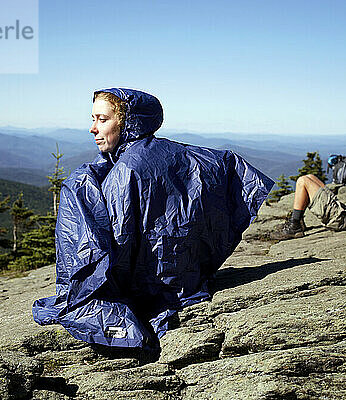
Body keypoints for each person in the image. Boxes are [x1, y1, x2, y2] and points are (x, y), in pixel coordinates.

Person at [33, 88, 274, 349]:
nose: (93, 128)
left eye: (102, 120)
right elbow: (229, 168)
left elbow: (120, 249)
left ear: (127, 122)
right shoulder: (172, 152)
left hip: (152, 288)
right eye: (93, 119)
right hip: (188, 278)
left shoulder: (126, 171)